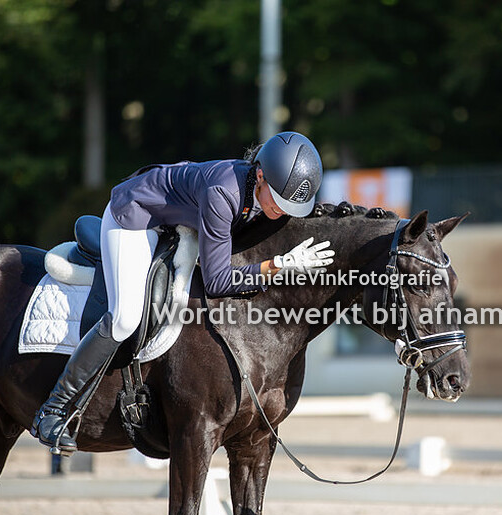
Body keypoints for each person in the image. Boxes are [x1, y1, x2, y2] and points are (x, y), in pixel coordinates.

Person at [31, 131, 334, 454]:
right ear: (259, 175)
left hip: (173, 218)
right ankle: (54, 409)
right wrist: (276, 266)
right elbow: (218, 281)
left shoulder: (258, 193)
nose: (284, 211)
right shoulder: (223, 193)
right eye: (280, 200)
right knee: (124, 318)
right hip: (133, 217)